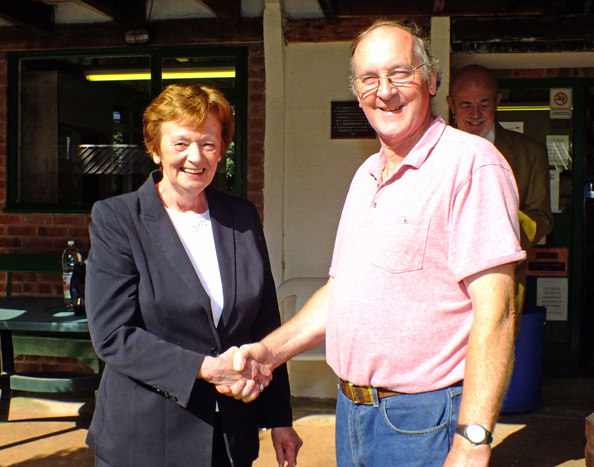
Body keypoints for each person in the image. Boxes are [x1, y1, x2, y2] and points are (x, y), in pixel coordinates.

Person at [221, 21, 526, 467]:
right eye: (369, 78)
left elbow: (497, 312)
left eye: (400, 73)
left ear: (431, 79)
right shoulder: (366, 174)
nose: (385, 90)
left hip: (423, 420)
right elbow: (343, 290)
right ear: (357, 91)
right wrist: (270, 352)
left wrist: (473, 438)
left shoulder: (473, 164)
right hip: (353, 412)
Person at [85, 84, 302, 467]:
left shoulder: (241, 217)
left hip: (230, 439)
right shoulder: (118, 218)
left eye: (208, 143)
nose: (195, 157)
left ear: (221, 150)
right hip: (145, 441)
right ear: (154, 148)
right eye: (181, 143)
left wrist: (278, 418)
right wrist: (206, 368)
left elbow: (266, 323)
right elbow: (113, 336)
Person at [447, 64, 553, 327]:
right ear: (450, 104)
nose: (474, 114)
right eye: (465, 104)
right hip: (443, 291)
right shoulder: (431, 153)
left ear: (497, 101)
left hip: (501, 288)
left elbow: (542, 220)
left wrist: (493, 215)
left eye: (484, 104)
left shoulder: (531, 152)